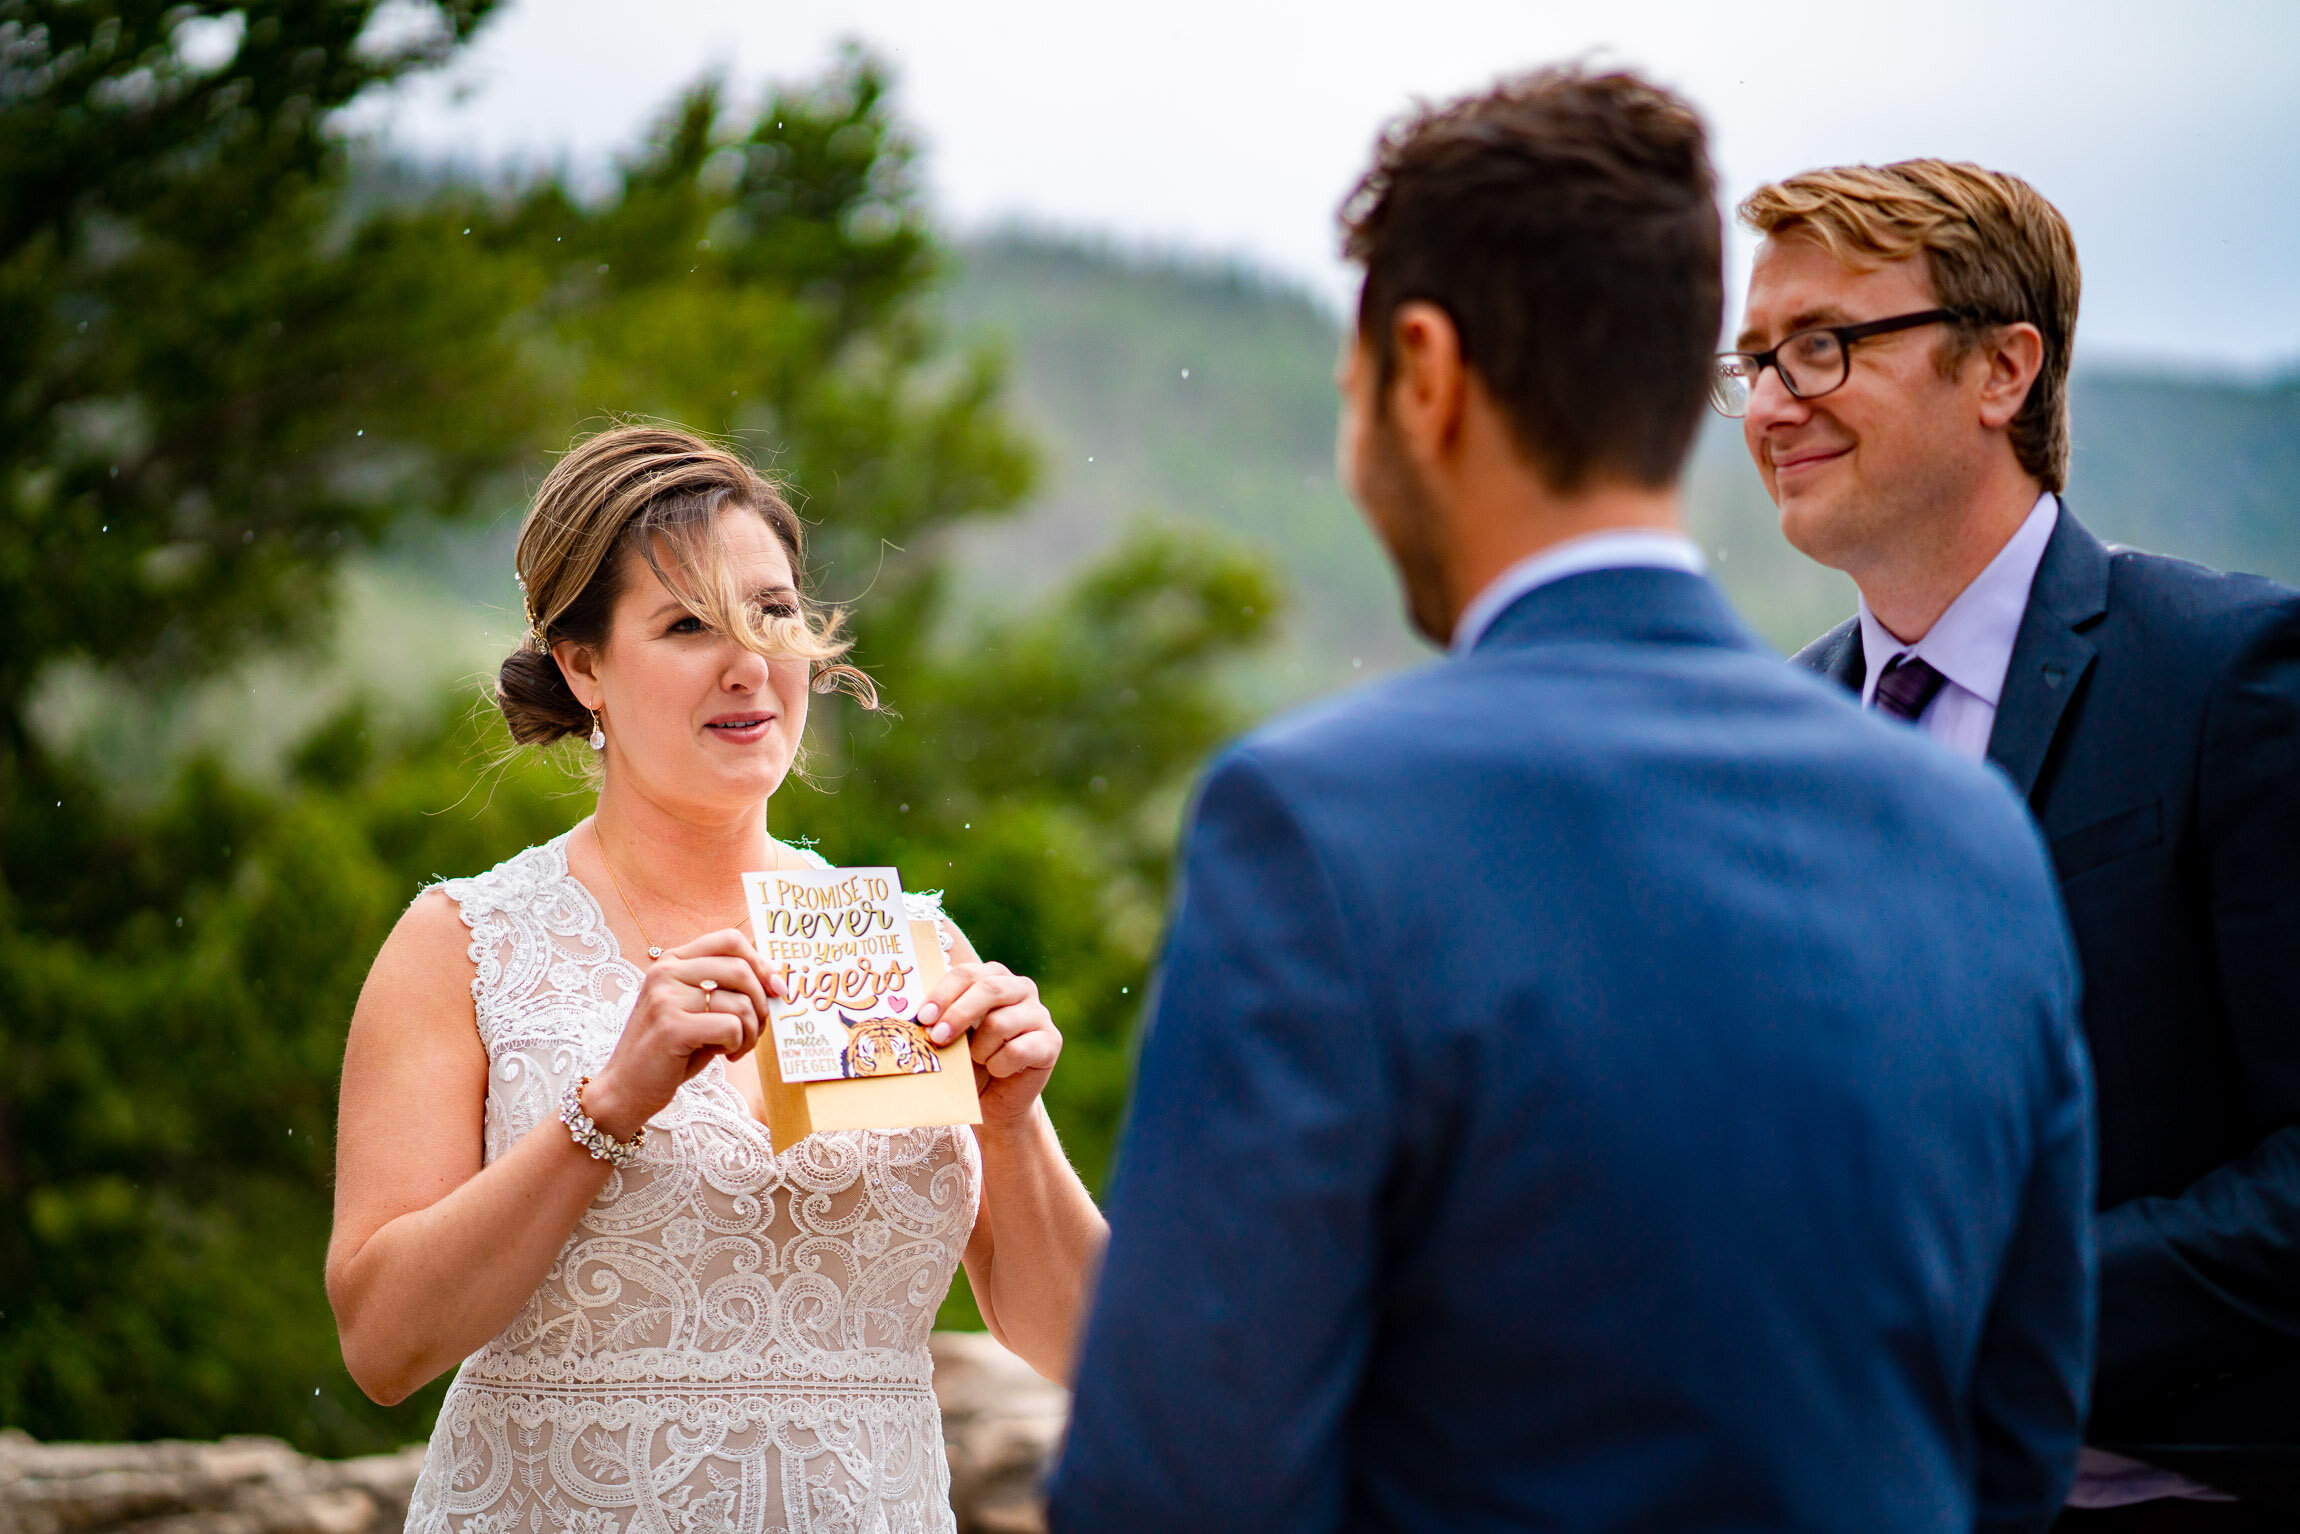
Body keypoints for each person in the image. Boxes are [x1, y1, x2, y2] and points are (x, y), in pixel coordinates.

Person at [1049, 68, 2095, 1534]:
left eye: (1354, 396)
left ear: (1424, 370)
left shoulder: (1320, 822)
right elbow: (2017, 1425)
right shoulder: (1966, 831)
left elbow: (1182, 1484)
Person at [324, 425, 1105, 1534]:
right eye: (688, 625)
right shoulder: (462, 941)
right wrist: (605, 1110)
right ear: (581, 664)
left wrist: (1013, 1126)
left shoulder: (911, 946)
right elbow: (383, 1343)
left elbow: (1087, 1348)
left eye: (772, 613)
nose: (747, 660)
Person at [1728, 159, 2300, 1526]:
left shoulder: (2232, 676)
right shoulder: (1775, 744)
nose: (1767, 402)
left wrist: (1987, 1317)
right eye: (1749, 359)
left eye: (1823, 346)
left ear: (2003, 370)